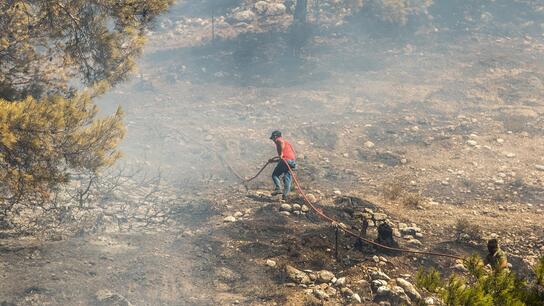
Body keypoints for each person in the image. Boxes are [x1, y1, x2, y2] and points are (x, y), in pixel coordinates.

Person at [268, 130, 296, 201]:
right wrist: (273, 161)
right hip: (291, 161)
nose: (273, 141)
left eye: (273, 139)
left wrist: (280, 154)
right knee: (287, 179)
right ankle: (285, 196)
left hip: (286, 160)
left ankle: (278, 188)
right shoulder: (287, 144)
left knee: (275, 174)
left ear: (275, 136)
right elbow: (283, 158)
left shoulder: (279, 140)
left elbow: (280, 143)